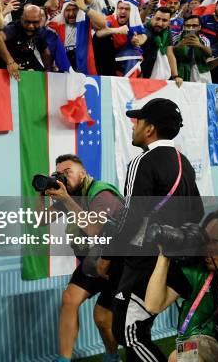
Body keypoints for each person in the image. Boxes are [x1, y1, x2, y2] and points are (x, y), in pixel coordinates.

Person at [99, 98, 204, 362]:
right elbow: (198, 211)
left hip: (144, 264)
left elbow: (130, 218)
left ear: (150, 129)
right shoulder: (184, 163)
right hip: (173, 263)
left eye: (138, 121)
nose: (133, 126)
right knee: (133, 329)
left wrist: (108, 256)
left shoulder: (141, 162)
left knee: (130, 333)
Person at [46, 155, 124, 362]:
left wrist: (65, 199)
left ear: (83, 173)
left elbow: (93, 229)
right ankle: (63, 359)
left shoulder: (102, 194)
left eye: (68, 172)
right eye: (59, 173)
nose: (63, 176)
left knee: (102, 317)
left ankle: (112, 356)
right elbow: (39, 220)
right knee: (69, 299)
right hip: (93, 259)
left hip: (118, 261)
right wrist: (41, 193)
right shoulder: (72, 195)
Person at [145, 209, 218, 362]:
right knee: (178, 356)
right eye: (206, 241)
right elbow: (153, 305)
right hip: (203, 343)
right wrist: (164, 256)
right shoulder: (196, 270)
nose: (208, 249)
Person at [140, 7, 182, 85]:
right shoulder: (142, 29)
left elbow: (170, 54)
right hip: (140, 73)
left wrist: (176, 76)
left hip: (155, 76)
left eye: (164, 20)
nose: (159, 23)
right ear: (152, 17)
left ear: (169, 22)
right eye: (157, 19)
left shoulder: (167, 33)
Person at [173, 15, 213, 83]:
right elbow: (169, 53)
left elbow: (210, 53)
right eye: (188, 25)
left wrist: (200, 45)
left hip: (199, 70)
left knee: (202, 92)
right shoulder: (176, 37)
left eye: (194, 26)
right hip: (181, 69)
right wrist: (179, 45)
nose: (191, 28)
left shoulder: (203, 39)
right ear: (184, 27)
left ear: (199, 27)